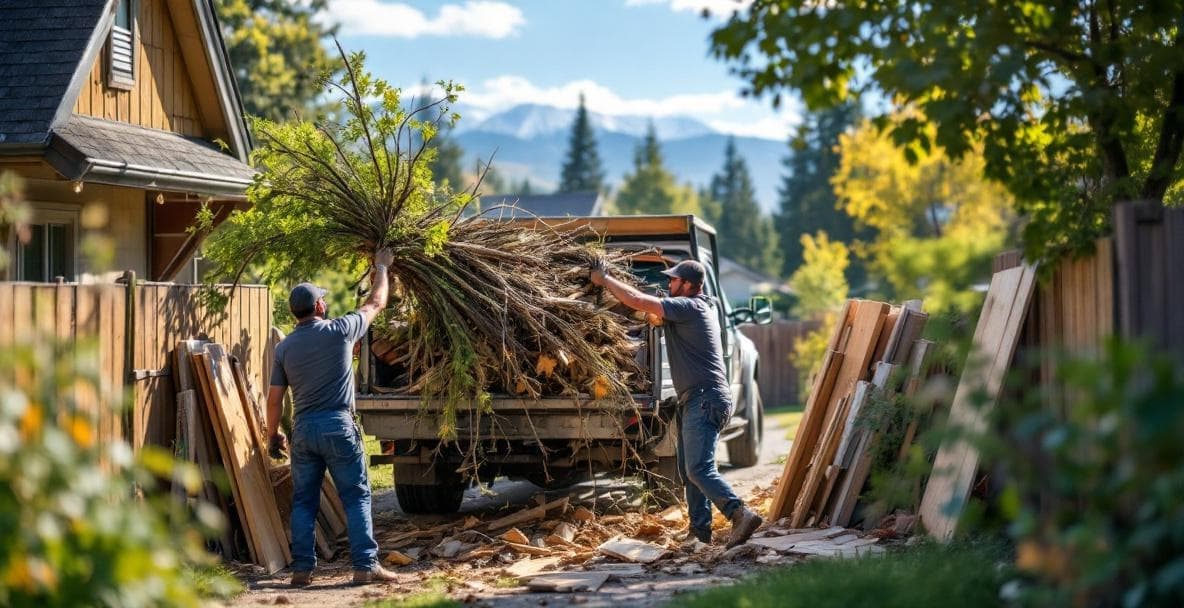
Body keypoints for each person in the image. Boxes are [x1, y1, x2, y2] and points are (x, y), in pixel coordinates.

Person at [590, 259, 762, 548]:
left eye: (673, 281)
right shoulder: (694, 308)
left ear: (688, 285)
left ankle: (740, 513)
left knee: (699, 469)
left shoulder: (690, 306)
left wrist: (604, 279)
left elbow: (638, 300)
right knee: (689, 471)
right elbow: (645, 311)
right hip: (696, 398)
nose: (668, 284)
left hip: (705, 398)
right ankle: (700, 532)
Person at [266, 247, 395, 586]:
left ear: (295, 314)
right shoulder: (340, 330)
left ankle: (302, 569)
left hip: (305, 431)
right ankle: (365, 566)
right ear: (320, 307)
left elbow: (274, 400)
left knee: (304, 502)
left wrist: (272, 435)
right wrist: (381, 268)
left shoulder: (284, 349)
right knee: (355, 495)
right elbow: (376, 304)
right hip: (338, 426)